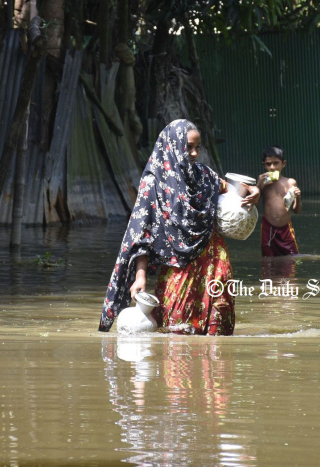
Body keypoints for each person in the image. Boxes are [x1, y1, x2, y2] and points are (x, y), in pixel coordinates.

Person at [99, 119, 259, 335]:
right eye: (188, 147)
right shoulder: (154, 183)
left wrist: (254, 191)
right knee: (174, 331)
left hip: (214, 261)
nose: (194, 153)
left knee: (218, 329)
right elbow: (142, 235)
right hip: (178, 265)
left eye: (197, 147)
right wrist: (141, 276)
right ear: (172, 146)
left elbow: (235, 190)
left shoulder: (204, 175)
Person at [256, 145, 301, 257]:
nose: (272, 167)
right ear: (264, 165)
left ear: (283, 164)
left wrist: (298, 196)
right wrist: (258, 186)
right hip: (268, 228)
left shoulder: (290, 182)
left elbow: (297, 211)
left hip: (286, 229)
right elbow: (253, 206)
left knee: (292, 258)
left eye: (276, 163)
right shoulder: (262, 183)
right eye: (268, 164)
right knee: (268, 261)